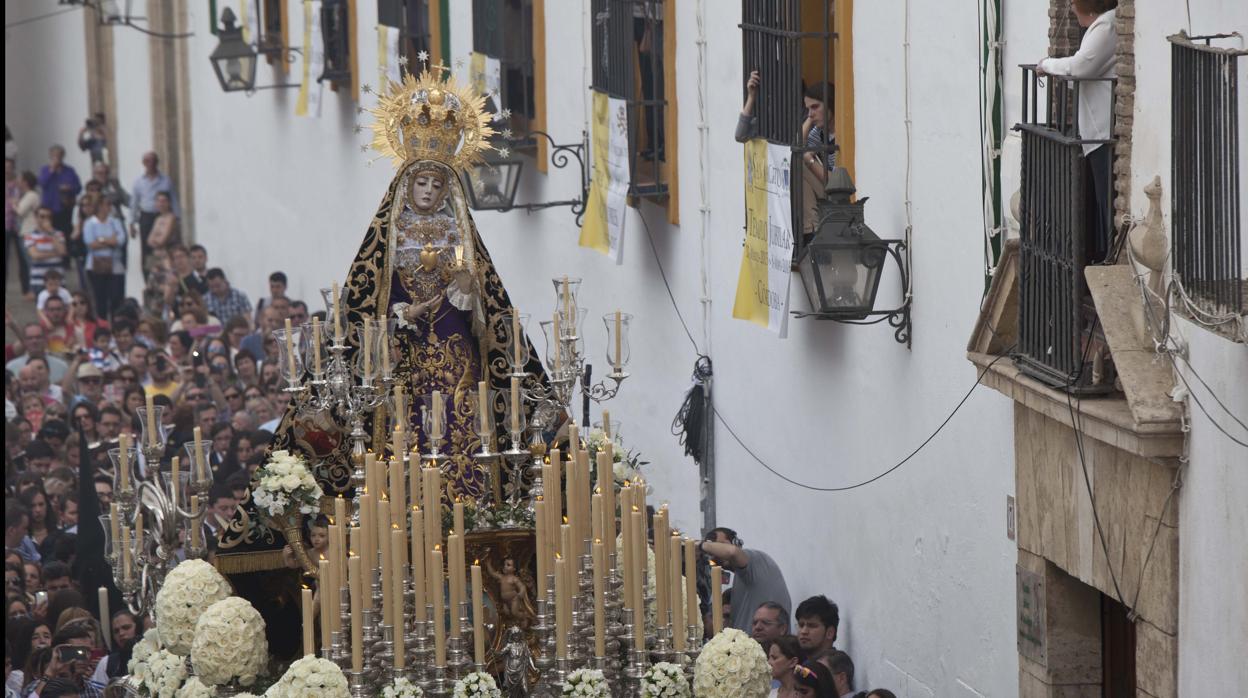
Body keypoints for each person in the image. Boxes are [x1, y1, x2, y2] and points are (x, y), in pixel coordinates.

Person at [1036, 0, 1118, 262]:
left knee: (1107, 202)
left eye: (1073, 2)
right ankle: (1102, 254)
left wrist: (1048, 64)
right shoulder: (1104, 26)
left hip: (1102, 130)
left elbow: (1081, 67)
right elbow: (1083, 75)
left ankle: (1108, 257)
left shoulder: (1107, 26)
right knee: (1100, 200)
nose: (1070, 7)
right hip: (1096, 131)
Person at [698, 527, 791, 633]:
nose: (717, 554)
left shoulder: (755, 560)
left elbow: (732, 552)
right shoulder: (742, 576)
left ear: (737, 543)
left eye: (720, 546)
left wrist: (701, 545)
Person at [129, 152, 178, 267]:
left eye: (152, 161)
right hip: (146, 216)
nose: (150, 164)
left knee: (166, 245)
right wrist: (131, 223)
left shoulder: (166, 180)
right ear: (143, 163)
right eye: (147, 161)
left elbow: (174, 199)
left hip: (164, 216)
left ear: (157, 162)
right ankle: (149, 273)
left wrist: (177, 217)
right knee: (147, 248)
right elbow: (134, 203)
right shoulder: (138, 182)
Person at [81, 196, 126, 320]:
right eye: (107, 204)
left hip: (115, 264)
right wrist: (109, 240)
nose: (109, 207)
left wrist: (101, 239)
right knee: (100, 298)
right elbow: (91, 243)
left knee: (116, 298)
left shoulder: (115, 222)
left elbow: (120, 240)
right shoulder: (90, 223)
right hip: (96, 264)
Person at [23, 207, 67, 297]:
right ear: (36, 218)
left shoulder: (58, 234)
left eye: (48, 217)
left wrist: (51, 233)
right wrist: (55, 254)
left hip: (57, 279)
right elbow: (35, 255)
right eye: (42, 216)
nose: (45, 219)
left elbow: (62, 251)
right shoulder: (30, 236)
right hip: (39, 280)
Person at [13, 171, 41, 300]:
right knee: (28, 263)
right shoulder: (28, 195)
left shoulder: (31, 195)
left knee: (31, 263)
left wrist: (13, 203)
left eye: (20, 179)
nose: (18, 182)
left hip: (29, 231)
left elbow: (19, 211)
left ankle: (34, 290)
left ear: (25, 182)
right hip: (26, 231)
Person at [36, 147, 81, 223]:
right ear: (50, 156)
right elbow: (42, 183)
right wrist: (51, 170)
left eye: (59, 155)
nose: (57, 158)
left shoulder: (69, 170)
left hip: (65, 208)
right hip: (49, 208)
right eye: (54, 155)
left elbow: (78, 187)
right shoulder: (45, 170)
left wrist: (69, 188)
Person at [795, 595, 840, 661]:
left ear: (830, 633)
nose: (803, 631)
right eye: (801, 625)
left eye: (812, 626)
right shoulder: (796, 661)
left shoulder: (834, 668)